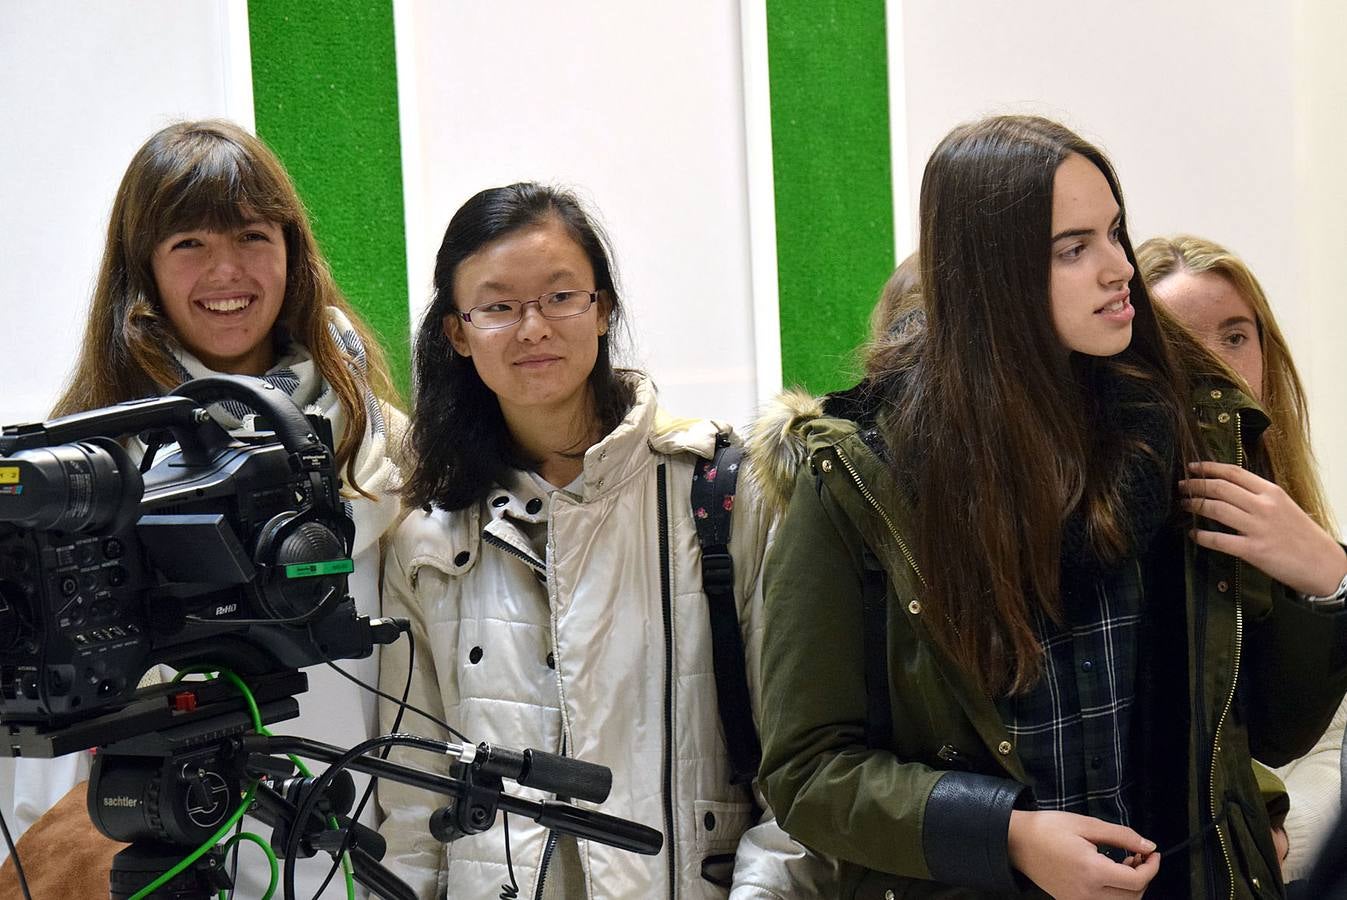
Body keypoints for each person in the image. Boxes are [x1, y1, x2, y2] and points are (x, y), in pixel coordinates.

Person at [751, 115, 1347, 899]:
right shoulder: (859, 475)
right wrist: (1006, 834)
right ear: (989, 274)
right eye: (1073, 249)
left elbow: (1271, 733)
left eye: (1114, 232)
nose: (1117, 269)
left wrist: (1327, 585)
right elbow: (808, 773)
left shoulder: (1192, 433)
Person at [376, 182, 826, 899]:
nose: (532, 329)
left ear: (603, 307)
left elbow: (800, 765)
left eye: (560, 296)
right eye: (497, 306)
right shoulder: (427, 540)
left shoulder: (722, 495)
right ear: (456, 333)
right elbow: (414, 800)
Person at [0, 119, 406, 897]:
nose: (227, 272)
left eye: (252, 236)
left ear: (292, 251)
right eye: (188, 243)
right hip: (144, 857)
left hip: (340, 854)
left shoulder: (382, 449)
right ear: (143, 268)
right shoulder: (78, 474)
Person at [1140, 233, 1347, 887]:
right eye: (1184, 343)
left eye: (1235, 336)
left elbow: (1280, 729)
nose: (1219, 364)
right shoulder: (1112, 509)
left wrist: (1328, 575)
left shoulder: (1280, 500)